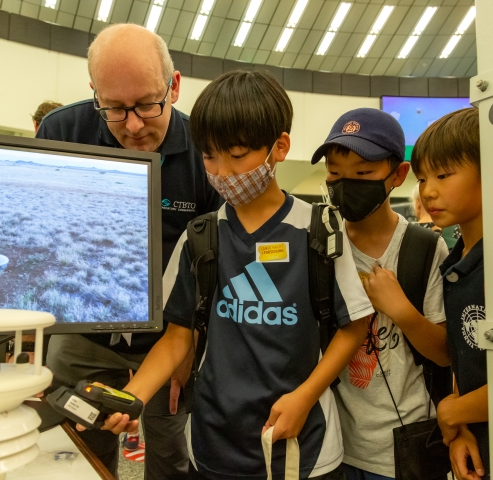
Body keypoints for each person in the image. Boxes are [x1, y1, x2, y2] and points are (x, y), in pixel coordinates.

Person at [90, 70, 375, 480]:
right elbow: (177, 336)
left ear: (279, 147)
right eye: (209, 156)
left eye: (238, 155)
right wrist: (131, 397)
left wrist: (305, 396)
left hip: (302, 448)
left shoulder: (320, 230)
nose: (222, 171)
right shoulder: (202, 236)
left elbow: (355, 326)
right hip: (212, 446)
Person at [36, 24, 222, 478]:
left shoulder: (206, 150)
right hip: (82, 338)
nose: (133, 125)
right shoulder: (61, 133)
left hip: (168, 342)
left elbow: (218, 262)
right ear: (94, 93)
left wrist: (192, 340)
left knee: (170, 455)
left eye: (146, 105)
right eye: (115, 109)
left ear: (174, 86)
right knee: (75, 454)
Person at [311, 108, 450, 480]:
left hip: (406, 448)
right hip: (332, 446)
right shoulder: (320, 245)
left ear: (397, 175)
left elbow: (444, 350)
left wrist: (402, 311)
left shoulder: (424, 249)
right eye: (335, 173)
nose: (345, 184)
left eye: (362, 173)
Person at [410, 108, 489, 480]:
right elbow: (462, 354)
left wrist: (452, 412)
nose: (428, 191)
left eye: (443, 175)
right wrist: (459, 431)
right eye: (423, 178)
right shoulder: (456, 260)